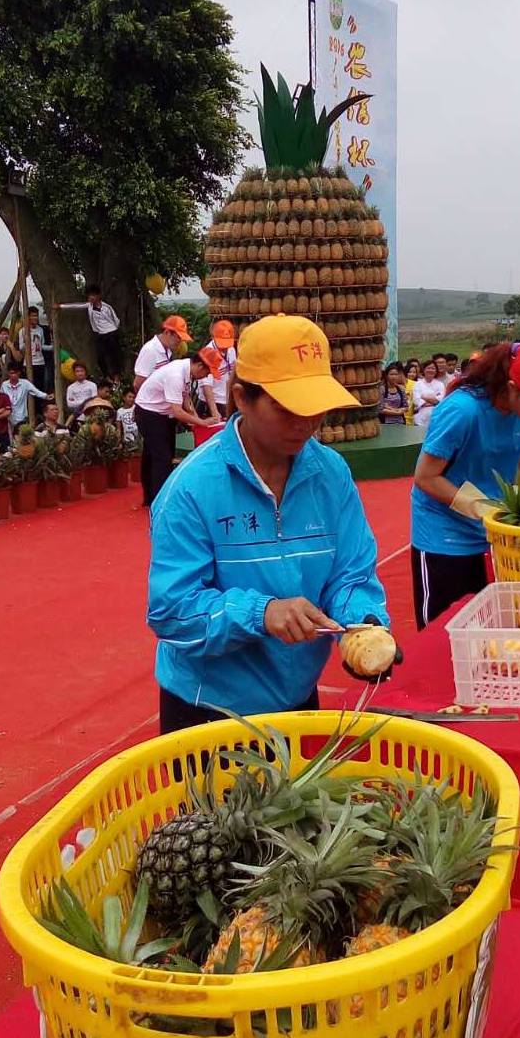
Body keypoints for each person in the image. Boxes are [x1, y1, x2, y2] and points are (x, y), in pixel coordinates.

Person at [147, 314, 398, 733]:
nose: (307, 423)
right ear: (242, 398)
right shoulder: (192, 488)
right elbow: (172, 612)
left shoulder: (330, 472)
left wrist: (365, 624)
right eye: (287, 409)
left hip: (298, 697)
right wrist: (261, 613)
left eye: (316, 408)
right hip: (210, 709)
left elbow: (350, 574)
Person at [411, 343, 520, 629]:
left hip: (494, 533)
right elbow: (426, 477)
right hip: (446, 536)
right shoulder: (462, 411)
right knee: (444, 631)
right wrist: (483, 509)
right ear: (512, 387)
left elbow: (519, 463)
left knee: (489, 628)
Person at [135, 348, 220, 506]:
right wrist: (201, 422)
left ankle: (150, 497)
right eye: (208, 372)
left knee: (151, 454)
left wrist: (195, 418)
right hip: (149, 413)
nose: (207, 376)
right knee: (162, 457)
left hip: (161, 413)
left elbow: (185, 398)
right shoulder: (176, 374)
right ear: (200, 366)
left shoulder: (186, 371)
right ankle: (161, 500)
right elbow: (177, 411)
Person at [56, 284, 121, 382]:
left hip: (111, 333)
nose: (91, 298)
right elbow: (76, 306)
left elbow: (116, 320)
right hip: (100, 334)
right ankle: (106, 376)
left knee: (114, 356)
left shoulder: (107, 308)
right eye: (89, 296)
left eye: (93, 295)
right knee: (100, 357)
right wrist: (60, 306)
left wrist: (112, 329)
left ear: (98, 295)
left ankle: (116, 378)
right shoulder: (89, 306)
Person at [133, 315, 191, 391]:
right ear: (167, 332)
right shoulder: (150, 350)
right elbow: (137, 384)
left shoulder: (168, 350)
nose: (179, 342)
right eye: (178, 338)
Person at [196, 320, 237, 420]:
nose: (225, 347)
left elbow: (233, 373)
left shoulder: (231, 349)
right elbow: (206, 386)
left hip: (227, 401)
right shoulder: (207, 353)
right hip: (212, 403)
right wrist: (214, 411)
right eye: (222, 343)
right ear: (213, 337)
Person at [1, 365, 52, 431]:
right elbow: (1, 398)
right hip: (8, 417)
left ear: (18, 373)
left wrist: (46, 396)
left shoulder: (25, 383)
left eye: (15, 373)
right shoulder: (4, 385)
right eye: (11, 373)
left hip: (22, 416)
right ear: (8, 373)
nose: (13, 375)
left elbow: (36, 392)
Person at [18, 306, 51, 393]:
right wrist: (26, 341)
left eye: (36, 316)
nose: (35, 318)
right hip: (29, 363)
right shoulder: (23, 331)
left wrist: (52, 347)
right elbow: (21, 348)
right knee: (30, 388)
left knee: (40, 387)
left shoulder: (40, 330)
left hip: (40, 362)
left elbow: (42, 346)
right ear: (28, 317)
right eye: (32, 316)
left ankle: (40, 405)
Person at [411, 359, 446, 427]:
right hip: (420, 419)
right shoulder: (418, 384)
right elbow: (416, 401)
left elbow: (441, 400)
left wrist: (424, 397)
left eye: (433, 368)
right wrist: (434, 400)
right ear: (424, 370)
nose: (430, 370)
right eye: (428, 368)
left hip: (436, 417)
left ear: (436, 371)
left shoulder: (440, 384)